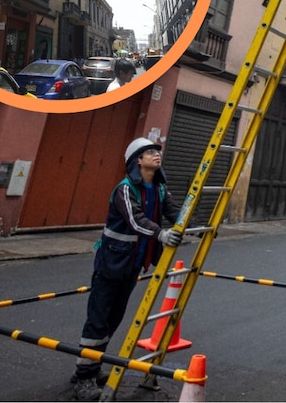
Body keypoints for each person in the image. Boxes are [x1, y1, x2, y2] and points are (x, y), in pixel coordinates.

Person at [70, 137, 184, 401]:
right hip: (111, 263)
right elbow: (136, 220)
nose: (157, 155)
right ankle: (83, 378)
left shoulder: (159, 189)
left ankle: (93, 366)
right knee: (98, 320)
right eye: (150, 152)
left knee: (114, 319)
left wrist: (190, 224)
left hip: (132, 265)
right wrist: (161, 235)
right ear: (137, 160)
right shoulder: (124, 189)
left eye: (157, 151)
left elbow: (174, 211)